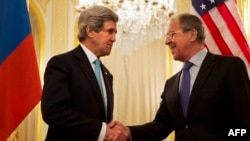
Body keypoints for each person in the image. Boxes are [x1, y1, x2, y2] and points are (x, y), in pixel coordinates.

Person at [109, 13, 250, 141]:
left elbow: (245, 123)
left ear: (192, 35)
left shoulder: (229, 66)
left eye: (171, 34)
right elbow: (160, 126)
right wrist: (128, 132)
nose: (166, 41)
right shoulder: (171, 83)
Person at [41, 5, 127, 141]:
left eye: (115, 32)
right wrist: (102, 130)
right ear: (90, 31)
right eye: (110, 31)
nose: (114, 38)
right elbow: (53, 112)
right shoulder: (61, 63)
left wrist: (109, 131)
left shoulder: (107, 74)